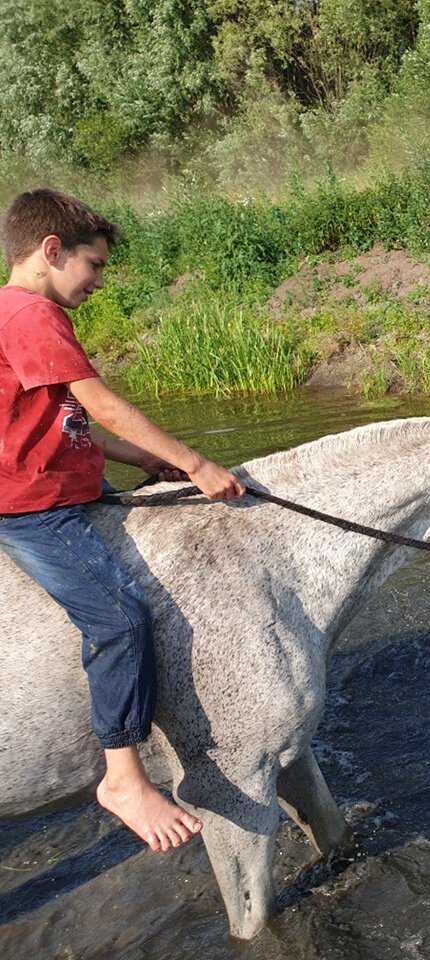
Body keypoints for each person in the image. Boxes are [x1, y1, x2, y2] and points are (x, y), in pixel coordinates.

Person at [0, 188, 245, 852]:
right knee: (119, 618)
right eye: (95, 265)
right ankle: (123, 774)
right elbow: (102, 406)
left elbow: (77, 427)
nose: (100, 281)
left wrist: (151, 462)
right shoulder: (29, 315)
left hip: (69, 481)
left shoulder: (24, 312)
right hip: (34, 508)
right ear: (52, 252)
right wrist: (194, 463)